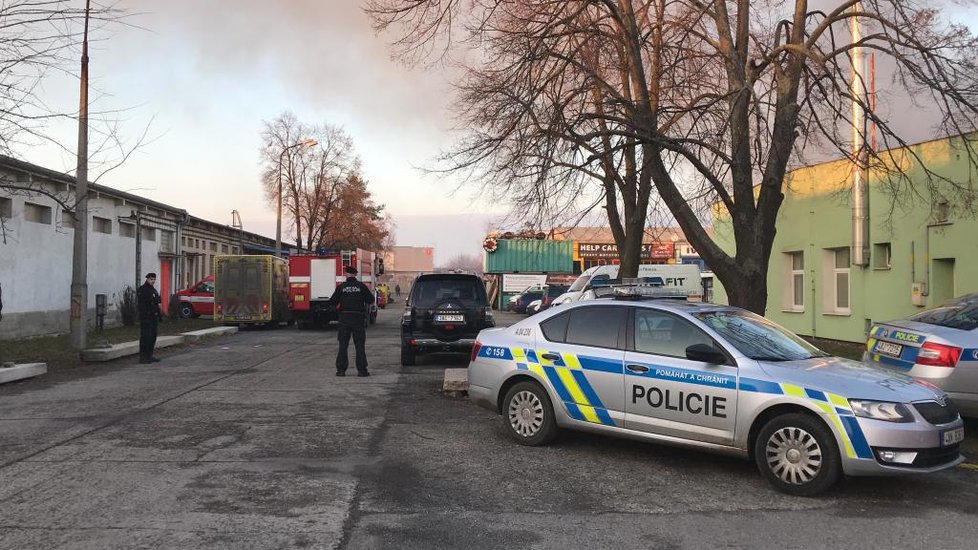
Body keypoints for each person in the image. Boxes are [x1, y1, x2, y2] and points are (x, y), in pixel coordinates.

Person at [330, 265, 375, 377]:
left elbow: (332, 302)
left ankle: (341, 370)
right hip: (358, 318)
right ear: (355, 274)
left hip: (344, 318)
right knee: (359, 345)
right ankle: (362, 370)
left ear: (346, 274)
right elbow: (370, 300)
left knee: (343, 345)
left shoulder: (341, 287)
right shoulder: (361, 286)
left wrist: (339, 309)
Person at [137, 272, 163, 364]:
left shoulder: (154, 290)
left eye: (154, 279)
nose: (153, 281)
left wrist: (159, 316)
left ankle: (149, 355)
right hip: (146, 318)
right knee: (145, 337)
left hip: (154, 317)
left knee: (152, 337)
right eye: (151, 279)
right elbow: (142, 305)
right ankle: (143, 357)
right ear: (147, 279)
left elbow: (157, 302)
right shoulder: (143, 290)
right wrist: (145, 317)